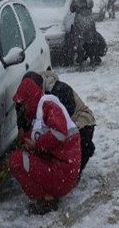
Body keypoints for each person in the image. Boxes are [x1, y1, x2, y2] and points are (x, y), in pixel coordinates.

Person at [9, 77, 81, 214]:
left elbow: (59, 134)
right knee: (23, 157)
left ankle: (46, 199)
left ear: (29, 99)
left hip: (62, 173)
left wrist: (36, 145)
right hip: (64, 172)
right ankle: (49, 194)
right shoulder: (41, 112)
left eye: (24, 105)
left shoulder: (48, 105)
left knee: (16, 161)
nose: (23, 109)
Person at [24, 70, 96, 174]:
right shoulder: (38, 89)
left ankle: (85, 147)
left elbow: (63, 122)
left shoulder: (59, 90)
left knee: (71, 171)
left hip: (83, 122)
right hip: (73, 124)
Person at [70, 0, 97, 65]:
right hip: (89, 22)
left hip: (79, 23)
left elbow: (71, 9)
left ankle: (81, 63)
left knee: (79, 43)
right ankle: (92, 60)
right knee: (91, 42)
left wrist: (77, 7)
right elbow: (91, 5)